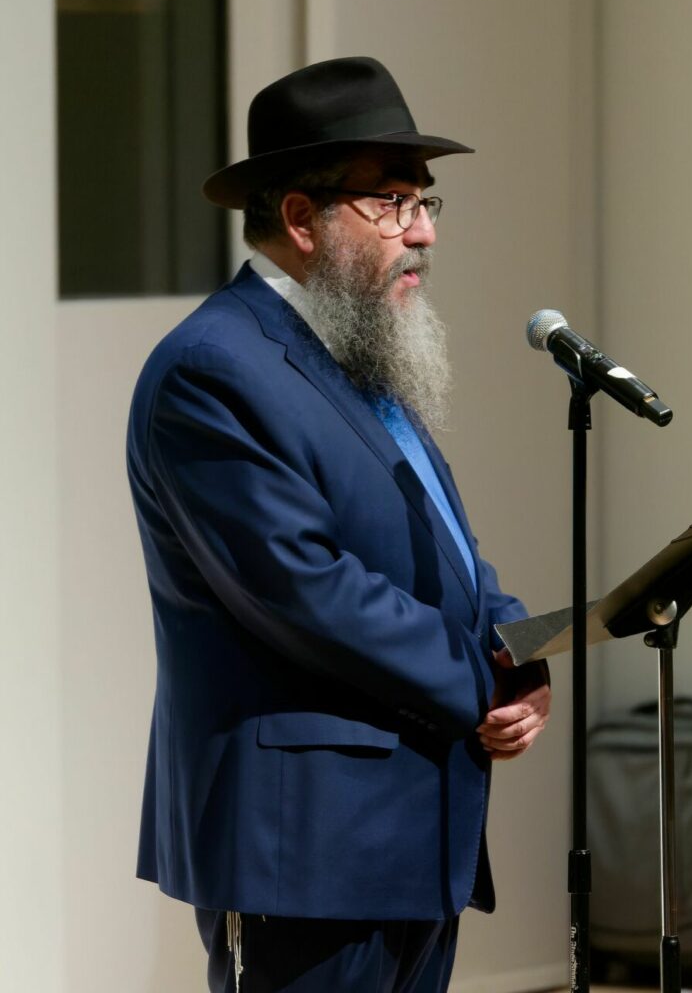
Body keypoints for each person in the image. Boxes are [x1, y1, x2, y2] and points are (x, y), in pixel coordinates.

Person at [127, 56, 551, 993]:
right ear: (299, 219)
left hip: (409, 831)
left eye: (426, 200)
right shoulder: (215, 370)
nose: (424, 231)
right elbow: (303, 585)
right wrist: (478, 676)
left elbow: (438, 545)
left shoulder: (351, 350)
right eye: (394, 201)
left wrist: (518, 648)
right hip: (304, 843)